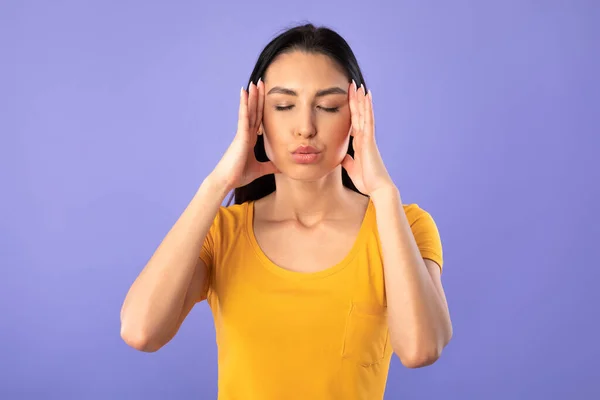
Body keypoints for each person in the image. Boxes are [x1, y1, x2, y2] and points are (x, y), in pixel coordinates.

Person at [120, 23, 453, 400]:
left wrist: (383, 193)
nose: (305, 128)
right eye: (284, 106)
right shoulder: (222, 234)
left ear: (358, 117)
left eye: (328, 107)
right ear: (258, 118)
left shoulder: (403, 226)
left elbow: (421, 348)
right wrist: (216, 185)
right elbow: (140, 331)